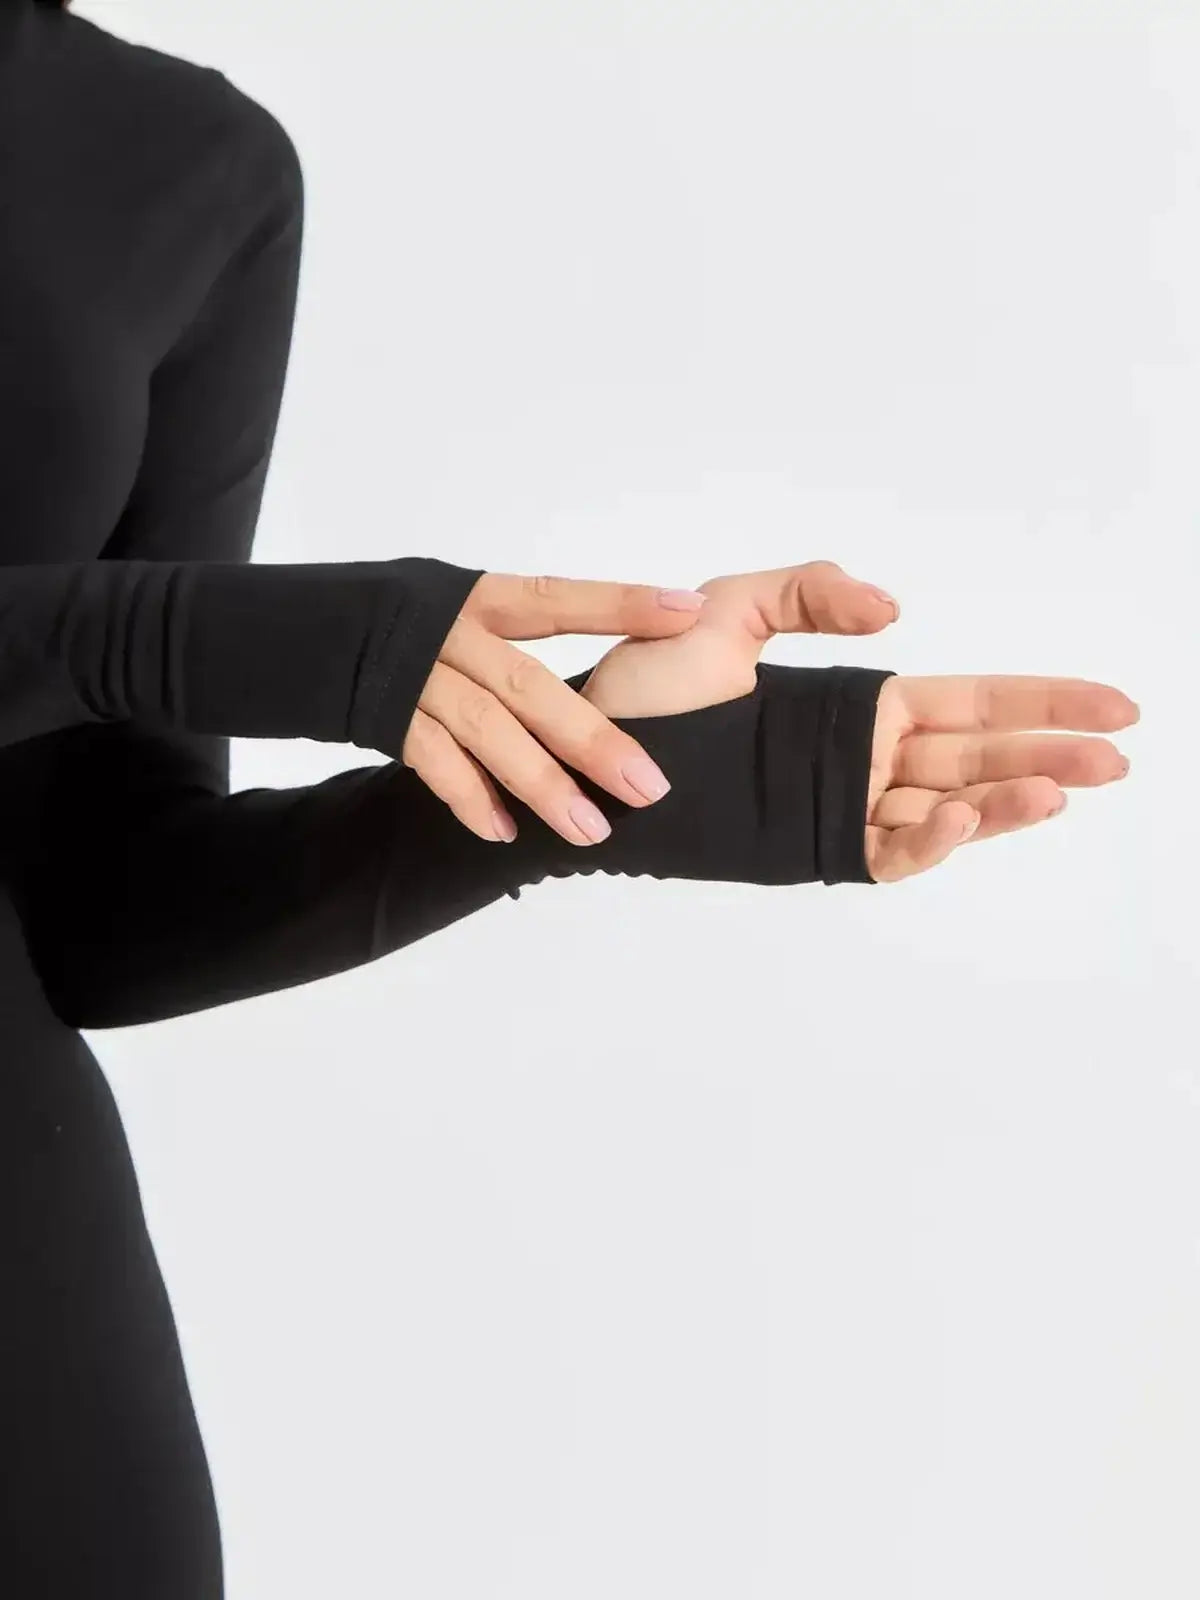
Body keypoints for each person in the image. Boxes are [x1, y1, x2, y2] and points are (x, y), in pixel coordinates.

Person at [0, 2, 1137, 1594]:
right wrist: (163, 636)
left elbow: (94, 917)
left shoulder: (185, 164)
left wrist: (577, 782)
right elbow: (137, 650)